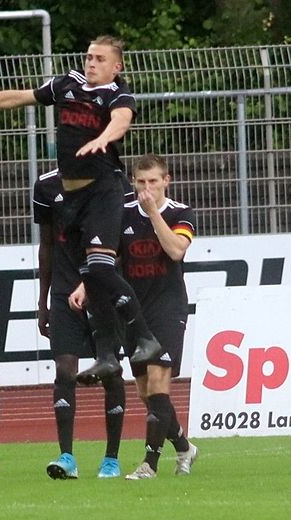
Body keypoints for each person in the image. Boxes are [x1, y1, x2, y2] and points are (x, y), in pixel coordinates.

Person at [0, 35, 163, 387]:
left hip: (103, 190)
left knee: (101, 267)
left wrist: (104, 138)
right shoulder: (68, 84)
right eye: (89, 57)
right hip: (74, 198)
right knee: (92, 273)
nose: (91, 63)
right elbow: (17, 97)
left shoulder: (116, 93)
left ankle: (144, 337)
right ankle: (106, 356)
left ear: (117, 66)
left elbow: (121, 119)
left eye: (100, 59)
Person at [70, 154, 198, 480]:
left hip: (168, 307)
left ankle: (149, 464)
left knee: (158, 383)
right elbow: (108, 259)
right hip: (132, 311)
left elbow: (176, 250)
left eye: (153, 181)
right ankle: (184, 447)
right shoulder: (122, 212)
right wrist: (85, 285)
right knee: (146, 393)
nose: (147, 188)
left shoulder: (180, 213)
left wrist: (153, 213)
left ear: (166, 181)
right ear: (133, 182)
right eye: (141, 182)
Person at [34, 168, 127, 479]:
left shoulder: (113, 181)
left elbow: (121, 245)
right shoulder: (46, 186)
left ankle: (111, 459)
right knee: (64, 370)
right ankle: (66, 457)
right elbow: (47, 245)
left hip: (104, 290)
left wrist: (90, 282)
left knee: (110, 370)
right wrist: (43, 301)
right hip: (63, 293)